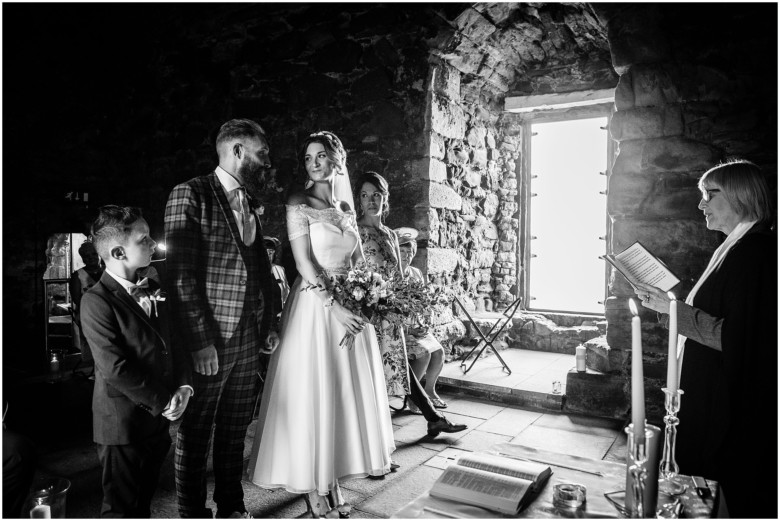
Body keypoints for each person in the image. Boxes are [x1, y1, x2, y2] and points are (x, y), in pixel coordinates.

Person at [246, 131, 395, 518]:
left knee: (343, 394)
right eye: (309, 156)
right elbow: (305, 264)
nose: (314, 162)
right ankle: (314, 488)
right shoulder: (299, 202)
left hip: (350, 303)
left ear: (337, 160)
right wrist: (336, 307)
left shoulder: (346, 206)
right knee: (315, 392)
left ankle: (332, 481)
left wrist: (370, 297)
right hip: (316, 307)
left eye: (322, 155)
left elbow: (359, 263)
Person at [635, 160, 776, 518]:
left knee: (715, 485)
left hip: (723, 399)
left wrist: (673, 311)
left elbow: (736, 337)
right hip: (708, 386)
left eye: (711, 194)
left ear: (742, 197)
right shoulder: (734, 248)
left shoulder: (753, 255)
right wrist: (666, 304)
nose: (701, 205)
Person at [164, 119, 281, 519]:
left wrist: (269, 323)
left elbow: (258, 268)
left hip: (249, 336)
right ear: (236, 151)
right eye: (261, 153)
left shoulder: (249, 200)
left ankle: (232, 506)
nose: (267, 161)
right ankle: (193, 512)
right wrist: (199, 341)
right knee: (196, 433)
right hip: (211, 340)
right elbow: (181, 275)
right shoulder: (191, 194)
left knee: (234, 432)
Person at [80, 205, 193, 518]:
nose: (153, 244)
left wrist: (184, 384)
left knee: (143, 503)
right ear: (118, 251)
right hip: (122, 424)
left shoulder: (156, 289)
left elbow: (176, 342)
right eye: (144, 239)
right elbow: (115, 368)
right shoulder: (96, 300)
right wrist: (165, 400)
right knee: (121, 509)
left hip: (156, 422)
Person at [355, 171, 466, 437]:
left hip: (391, 316)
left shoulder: (391, 235)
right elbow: (352, 273)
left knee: (399, 370)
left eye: (376, 195)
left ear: (385, 198)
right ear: (358, 200)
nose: (371, 201)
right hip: (368, 315)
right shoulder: (355, 232)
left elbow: (397, 277)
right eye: (364, 195)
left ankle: (432, 419)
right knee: (373, 378)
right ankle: (374, 443)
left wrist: (404, 303)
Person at [396, 228, 447, 410]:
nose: (406, 254)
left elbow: (425, 301)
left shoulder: (416, 273)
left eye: (409, 251)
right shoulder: (390, 274)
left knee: (439, 351)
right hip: (401, 330)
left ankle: (430, 390)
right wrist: (408, 329)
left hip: (417, 326)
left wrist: (427, 321)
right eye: (402, 250)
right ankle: (413, 397)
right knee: (423, 354)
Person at [69, 240, 104, 362]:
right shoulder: (78, 276)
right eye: (86, 256)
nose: (91, 258)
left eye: (93, 254)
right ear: (83, 259)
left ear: (100, 254)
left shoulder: (109, 272)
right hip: (88, 315)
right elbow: (77, 299)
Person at [263, 236, 290, 309]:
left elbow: (286, 294)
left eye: (271, 252)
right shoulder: (254, 270)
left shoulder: (279, 270)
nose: (268, 255)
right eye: (265, 252)